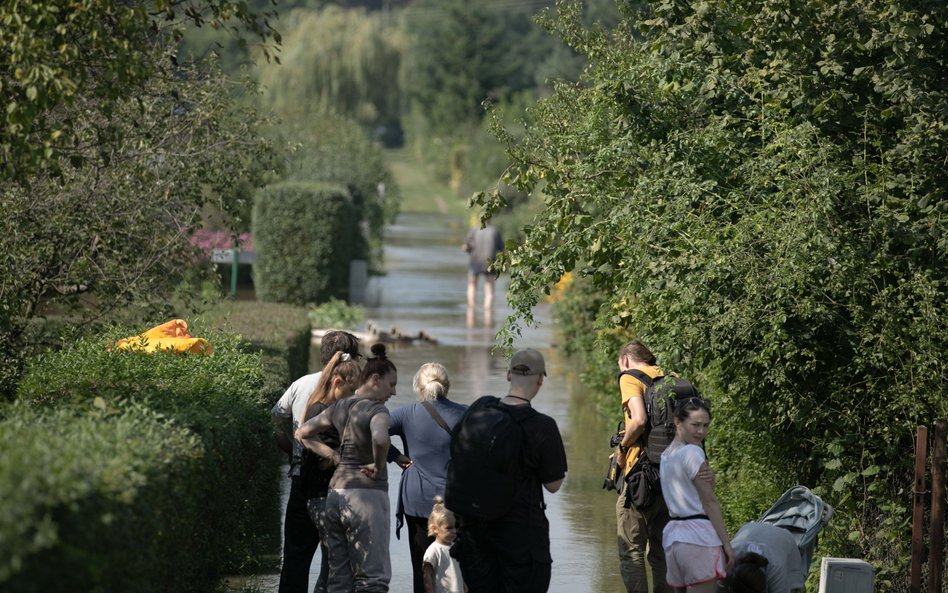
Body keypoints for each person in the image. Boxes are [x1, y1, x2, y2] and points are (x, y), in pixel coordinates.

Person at [453, 348, 568, 593]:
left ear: (508, 375)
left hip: (475, 531)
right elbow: (554, 485)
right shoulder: (543, 426)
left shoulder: (479, 409)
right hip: (521, 535)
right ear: (540, 379)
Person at [296, 343, 397, 593]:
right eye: (391, 384)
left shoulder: (340, 406)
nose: (394, 392)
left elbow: (303, 432)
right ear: (375, 379)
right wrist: (378, 463)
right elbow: (381, 438)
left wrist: (332, 455)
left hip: (335, 497)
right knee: (372, 579)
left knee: (339, 578)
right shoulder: (378, 410)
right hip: (366, 497)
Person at [272, 331, 361, 593]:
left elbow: (275, 420)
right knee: (335, 560)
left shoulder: (301, 385)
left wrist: (291, 451)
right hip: (334, 484)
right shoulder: (347, 391)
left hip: (301, 479)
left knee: (295, 558)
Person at [387, 362, 467, 593]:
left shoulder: (406, 414)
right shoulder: (465, 413)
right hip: (455, 501)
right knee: (459, 569)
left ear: (419, 389)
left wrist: (396, 456)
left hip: (418, 501)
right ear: (447, 387)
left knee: (423, 569)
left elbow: (368, 427)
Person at [297, 351, 362, 593]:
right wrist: (335, 456)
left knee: (332, 561)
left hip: (326, 493)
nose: (353, 395)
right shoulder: (320, 411)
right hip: (320, 495)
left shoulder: (328, 408)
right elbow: (307, 441)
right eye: (351, 389)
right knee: (335, 562)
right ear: (337, 383)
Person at [614, 340, 673, 593]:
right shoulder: (671, 378)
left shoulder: (629, 377)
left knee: (631, 550)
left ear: (625, 360)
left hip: (641, 473)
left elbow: (638, 420)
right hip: (672, 473)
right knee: (661, 549)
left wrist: (622, 447)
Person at [660, 397, 734, 592]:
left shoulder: (667, 455)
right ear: (678, 422)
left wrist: (712, 479)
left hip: (674, 538)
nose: (701, 431)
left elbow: (692, 492)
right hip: (699, 538)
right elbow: (709, 501)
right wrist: (726, 544)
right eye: (695, 425)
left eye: (705, 425)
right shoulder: (692, 452)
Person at [719, 521, 806, 593]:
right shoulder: (728, 560)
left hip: (784, 538)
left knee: (792, 585)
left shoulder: (776, 569)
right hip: (752, 528)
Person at [422, 496, 465, 593]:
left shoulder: (455, 547)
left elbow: (459, 568)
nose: (454, 531)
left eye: (455, 527)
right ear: (434, 529)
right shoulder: (433, 550)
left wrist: (464, 584)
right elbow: (427, 574)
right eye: (449, 528)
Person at [462, 221, 504, 310]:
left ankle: (471, 309)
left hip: (475, 261)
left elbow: (465, 247)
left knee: (472, 285)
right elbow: (502, 249)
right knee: (489, 289)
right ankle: (488, 312)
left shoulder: (474, 230)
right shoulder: (495, 231)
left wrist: (469, 249)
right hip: (490, 263)